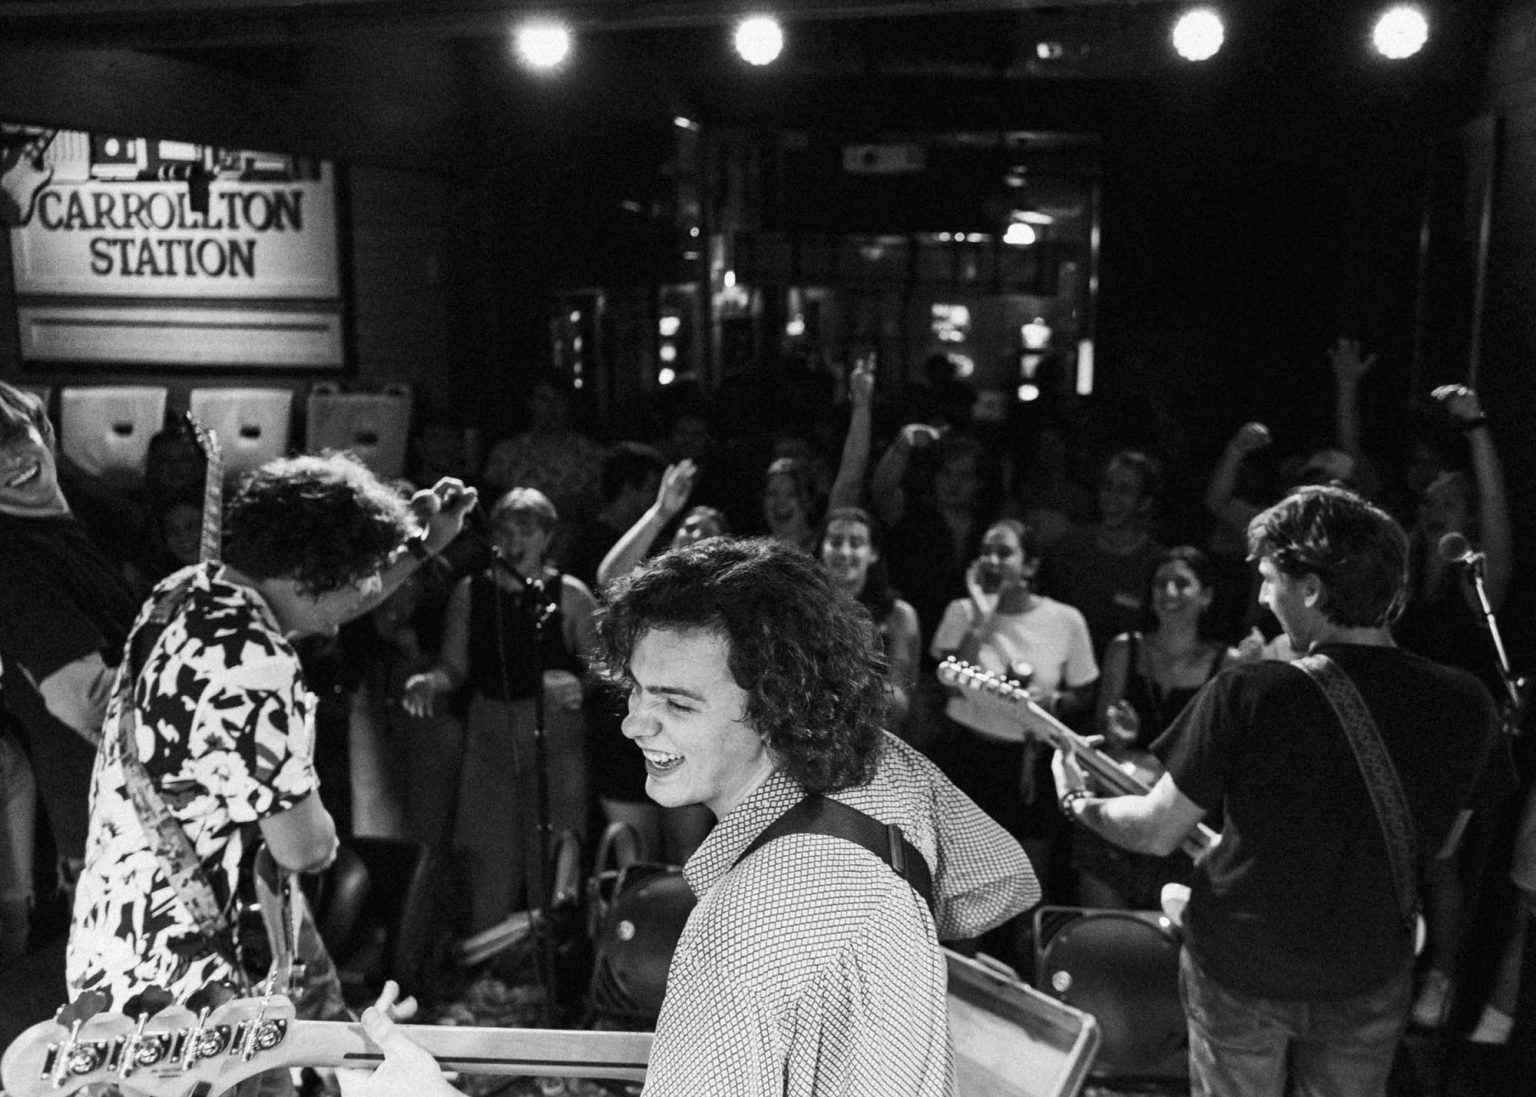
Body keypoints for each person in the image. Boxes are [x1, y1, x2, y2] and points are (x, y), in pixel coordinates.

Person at [342, 536, 1038, 1097]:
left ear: (776, 705)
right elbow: (998, 880)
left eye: (677, 703)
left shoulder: (739, 926)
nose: (635, 724)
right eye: (637, 689)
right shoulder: (888, 770)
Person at [1051, 485, 1504, 1097]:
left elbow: (1157, 831)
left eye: (1269, 579)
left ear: (1312, 591)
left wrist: (1080, 802)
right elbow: (1442, 844)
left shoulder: (1252, 692)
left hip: (1244, 968)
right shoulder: (1467, 702)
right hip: (1369, 969)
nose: (1263, 596)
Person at [66, 451, 476, 1011]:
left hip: (114, 935)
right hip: (194, 979)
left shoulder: (187, 593)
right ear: (311, 571)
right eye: (360, 575)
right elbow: (304, 848)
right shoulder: (258, 665)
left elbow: (319, 604)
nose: (370, 592)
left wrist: (422, 547)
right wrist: (324, 835)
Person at [402, 487, 595, 933]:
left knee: (556, 847)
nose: (513, 541)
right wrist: (430, 680)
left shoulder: (570, 595)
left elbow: (604, 672)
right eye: (505, 531)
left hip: (555, 736)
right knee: (485, 851)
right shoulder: (472, 591)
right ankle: (487, 960)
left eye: (525, 531)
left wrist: (578, 686)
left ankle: (550, 959)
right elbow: (455, 667)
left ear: (548, 537)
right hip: (490, 731)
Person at [0, 380, 142, 943]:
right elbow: (84, 699)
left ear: (46, 432)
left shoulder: (66, 523)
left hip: (123, 829)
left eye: (13, 436)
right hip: (122, 837)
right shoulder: (18, 561)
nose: (8, 461)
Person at [930, 518, 1097, 912]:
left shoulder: (1065, 620)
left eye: (1004, 552)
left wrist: (1050, 700)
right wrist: (982, 618)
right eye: (985, 551)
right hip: (968, 755)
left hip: (1028, 762)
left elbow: (1084, 692)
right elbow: (953, 683)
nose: (992, 560)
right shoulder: (961, 611)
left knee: (1028, 883)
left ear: (1031, 566)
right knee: (962, 884)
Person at [1072, 545, 1243, 909]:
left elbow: (1223, 758)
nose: (1168, 593)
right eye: (1160, 583)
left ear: (1206, 596)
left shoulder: (1227, 663)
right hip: (1120, 811)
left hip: (1182, 827)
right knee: (1105, 939)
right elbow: (1104, 740)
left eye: (1182, 584)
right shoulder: (1125, 649)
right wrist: (1119, 737)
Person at [1037, 449, 1166, 659]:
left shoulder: (1157, 564)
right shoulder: (1068, 548)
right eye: (1107, 487)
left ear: (1144, 502)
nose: (1112, 498)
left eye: (1125, 490)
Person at [820, 507, 921, 733]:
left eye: (856, 543)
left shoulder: (899, 616)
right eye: (835, 542)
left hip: (876, 742)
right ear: (821, 549)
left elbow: (901, 705)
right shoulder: (803, 611)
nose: (845, 553)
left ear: (873, 552)